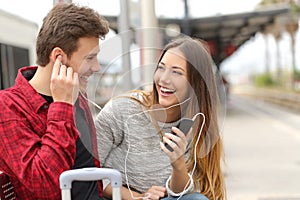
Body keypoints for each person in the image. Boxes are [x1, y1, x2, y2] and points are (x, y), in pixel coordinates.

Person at [0, 3, 109, 200]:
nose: (97, 67)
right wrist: (62, 107)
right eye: (90, 58)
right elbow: (43, 189)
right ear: (59, 57)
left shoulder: (78, 95)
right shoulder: (8, 107)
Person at [95, 36, 226, 200]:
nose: (164, 79)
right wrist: (136, 197)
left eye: (177, 72)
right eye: (161, 68)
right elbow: (88, 169)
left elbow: (184, 194)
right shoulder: (122, 110)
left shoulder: (199, 129)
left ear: (196, 83)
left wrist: (177, 164)